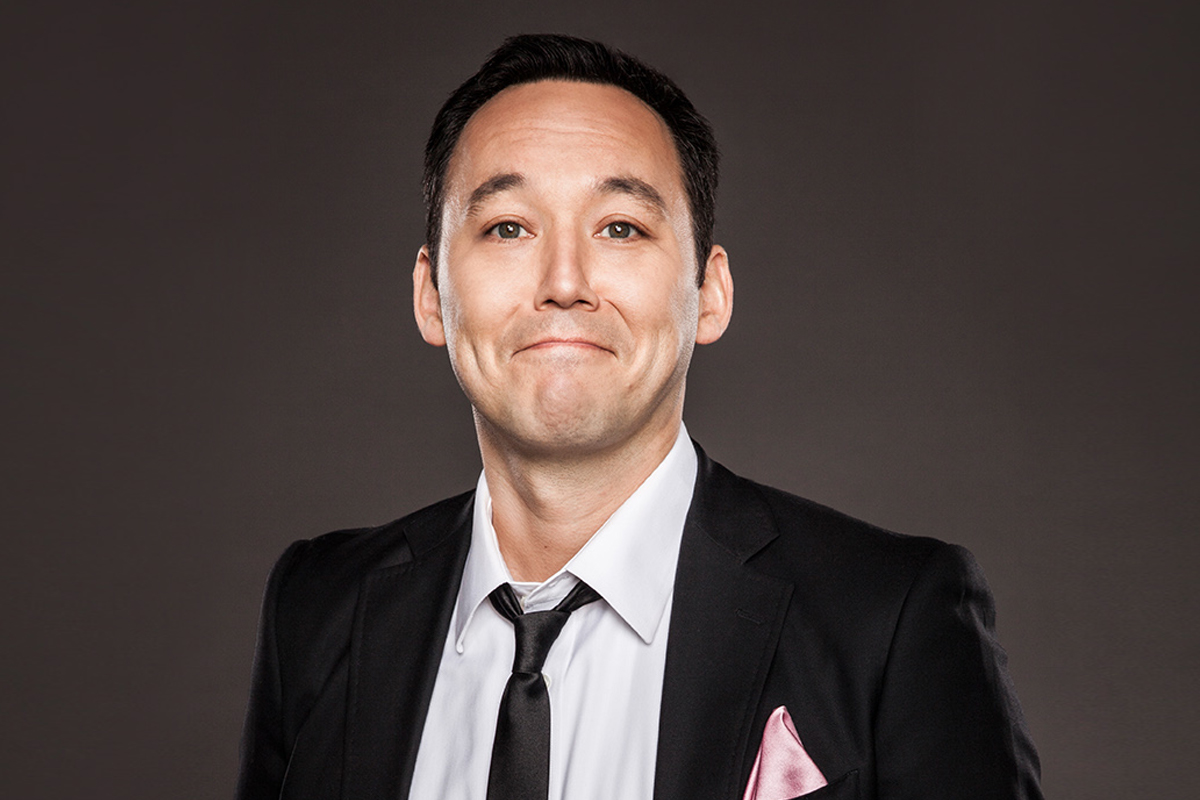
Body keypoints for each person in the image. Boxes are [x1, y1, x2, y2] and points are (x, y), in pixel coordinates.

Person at [236, 34, 1042, 800]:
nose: (563, 282)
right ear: (430, 294)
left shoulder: (889, 618)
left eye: (620, 228)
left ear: (710, 293)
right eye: (507, 227)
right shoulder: (320, 608)